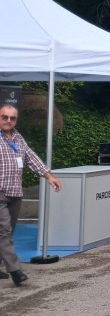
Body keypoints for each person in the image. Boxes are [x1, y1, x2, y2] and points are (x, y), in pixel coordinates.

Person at [0, 105, 62, 287]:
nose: (8, 120)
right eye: (4, 117)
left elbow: (31, 158)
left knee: (7, 231)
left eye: (12, 118)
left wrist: (49, 176)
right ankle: (15, 270)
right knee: (4, 231)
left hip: (15, 192)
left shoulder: (18, 138)